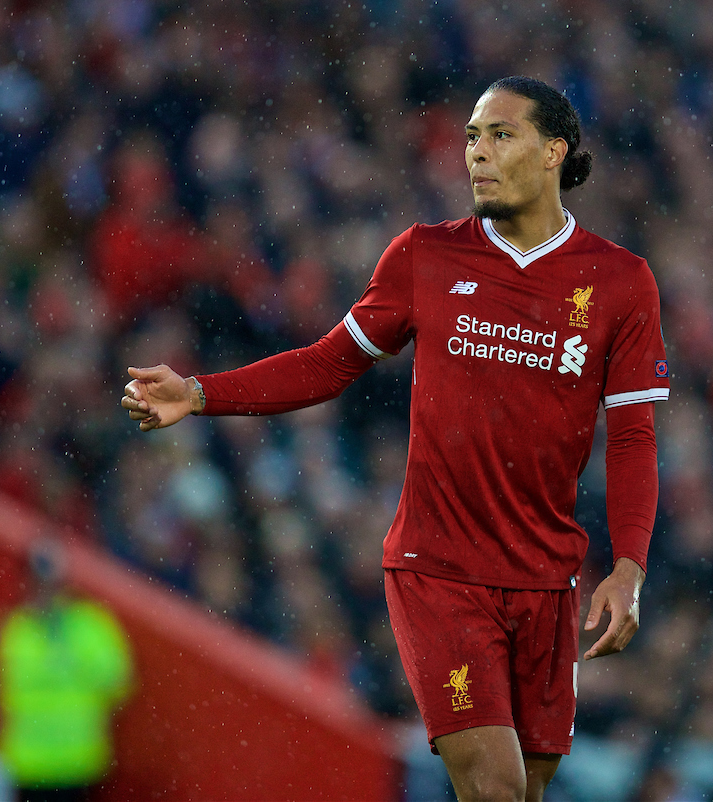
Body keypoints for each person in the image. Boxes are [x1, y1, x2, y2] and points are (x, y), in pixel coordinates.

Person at [122, 75, 669, 802]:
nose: (476, 152)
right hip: (437, 570)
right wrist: (199, 393)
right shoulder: (426, 256)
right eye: (472, 136)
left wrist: (628, 566)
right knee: (496, 789)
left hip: (546, 576)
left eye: (500, 135)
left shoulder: (621, 284)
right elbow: (327, 363)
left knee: (527, 793)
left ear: (552, 153)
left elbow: (632, 434)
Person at [0, 537, 134, 802]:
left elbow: (118, 681)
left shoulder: (91, 625)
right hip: (30, 764)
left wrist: (65, 651)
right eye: (38, 583)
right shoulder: (17, 629)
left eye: (50, 583)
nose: (44, 592)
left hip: (78, 763)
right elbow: (13, 686)